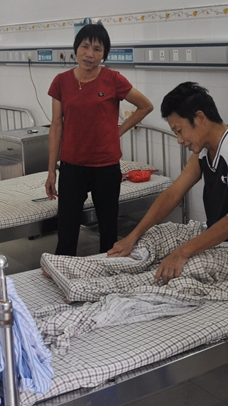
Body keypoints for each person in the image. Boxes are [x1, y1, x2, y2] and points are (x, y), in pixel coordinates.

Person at [108, 82, 228, 282]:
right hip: (224, 240)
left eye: (180, 131)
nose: (180, 140)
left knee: (188, 268)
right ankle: (111, 272)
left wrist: (183, 252)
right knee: (154, 237)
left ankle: (135, 288)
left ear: (200, 118)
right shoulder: (203, 153)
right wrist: (132, 237)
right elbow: (172, 195)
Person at [45, 24, 154, 256]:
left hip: (105, 166)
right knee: (67, 230)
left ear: (104, 54)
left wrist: (118, 131)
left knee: (108, 230)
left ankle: (108, 270)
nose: (89, 54)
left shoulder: (113, 79)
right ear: (76, 48)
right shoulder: (61, 82)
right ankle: (62, 269)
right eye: (85, 47)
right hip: (72, 165)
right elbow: (56, 126)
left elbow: (146, 106)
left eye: (97, 49)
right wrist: (51, 171)